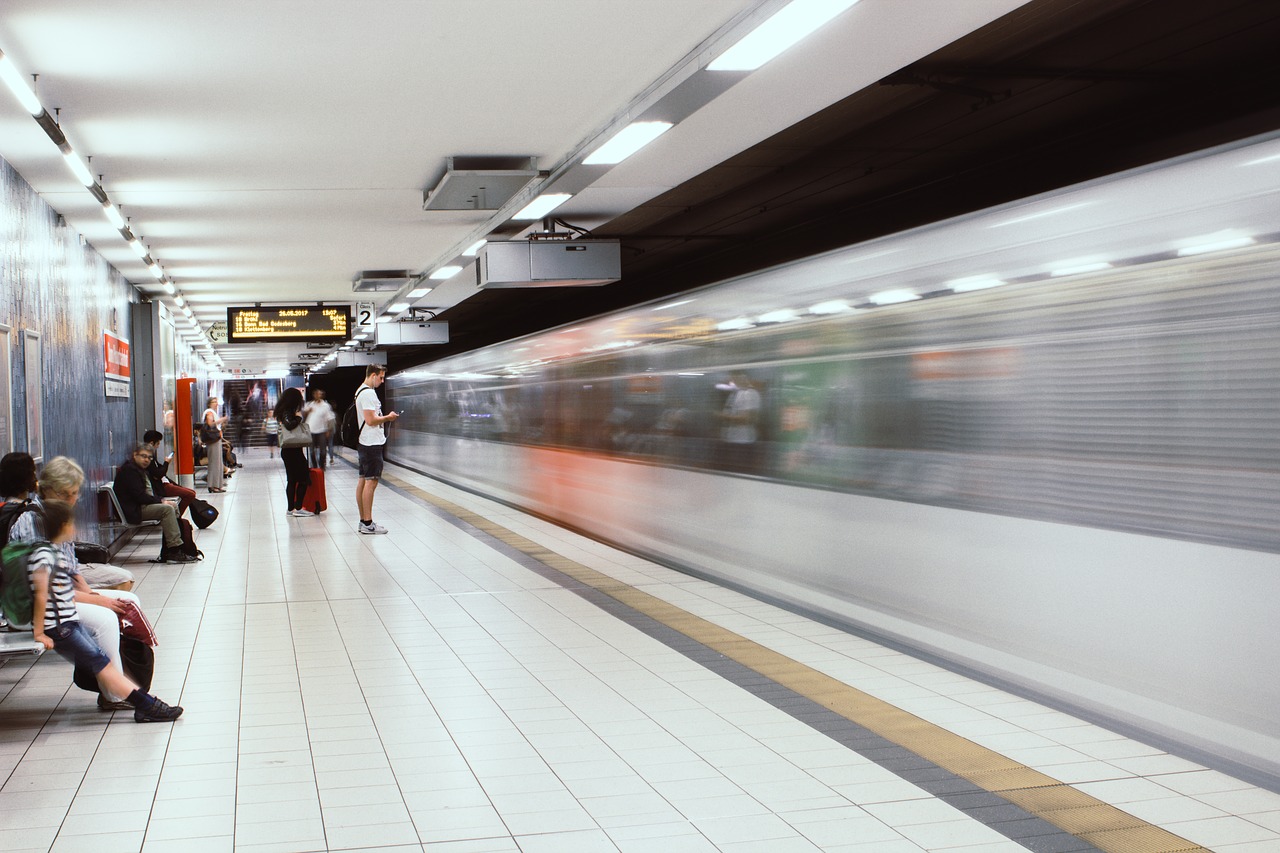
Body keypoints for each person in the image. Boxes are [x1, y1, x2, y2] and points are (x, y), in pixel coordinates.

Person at [5, 457, 149, 710]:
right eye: (66, 494)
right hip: (36, 609)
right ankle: (113, 695)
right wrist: (98, 600)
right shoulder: (33, 521)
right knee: (105, 619)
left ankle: (118, 680)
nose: (72, 500)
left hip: (56, 599)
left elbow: (70, 569)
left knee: (129, 600)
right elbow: (47, 589)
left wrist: (91, 591)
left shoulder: (55, 512)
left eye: (74, 494)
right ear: (48, 490)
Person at [26, 499, 183, 723]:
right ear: (62, 526)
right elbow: (42, 596)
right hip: (59, 628)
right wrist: (39, 633)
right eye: (72, 523)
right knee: (102, 665)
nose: (75, 528)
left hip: (68, 623)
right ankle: (147, 706)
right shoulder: (44, 557)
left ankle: (145, 704)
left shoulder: (54, 554)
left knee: (102, 664)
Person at [113, 444, 198, 564]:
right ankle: (174, 550)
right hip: (133, 510)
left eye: (149, 457)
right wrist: (161, 501)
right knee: (167, 509)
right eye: (143, 456)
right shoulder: (130, 471)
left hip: (138, 506)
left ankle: (175, 547)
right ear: (134, 455)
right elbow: (139, 496)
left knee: (172, 505)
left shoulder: (138, 470)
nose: (147, 460)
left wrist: (163, 501)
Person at [355, 365, 397, 534]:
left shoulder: (359, 391)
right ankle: (368, 523)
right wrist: (388, 417)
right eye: (380, 377)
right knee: (371, 482)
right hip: (371, 444)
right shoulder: (368, 393)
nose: (382, 381)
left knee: (363, 481)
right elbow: (371, 420)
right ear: (373, 376)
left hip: (364, 442)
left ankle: (363, 521)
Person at [274, 387, 313, 517]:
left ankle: (291, 509)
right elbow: (289, 425)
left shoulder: (283, 410)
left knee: (291, 480)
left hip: (289, 451)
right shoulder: (287, 411)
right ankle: (298, 508)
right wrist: (298, 418)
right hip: (293, 452)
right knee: (303, 478)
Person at [142, 429, 197, 519]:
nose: (158, 446)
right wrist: (166, 463)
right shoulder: (148, 457)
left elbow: (158, 471)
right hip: (161, 486)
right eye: (158, 444)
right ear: (152, 443)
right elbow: (158, 473)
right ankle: (176, 518)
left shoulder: (151, 455)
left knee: (190, 493)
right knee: (190, 494)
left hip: (163, 483)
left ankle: (175, 517)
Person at [201, 395, 229, 493]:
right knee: (215, 462)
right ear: (209, 403)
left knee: (217, 462)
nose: (216, 404)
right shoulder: (209, 412)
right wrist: (221, 420)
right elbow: (210, 423)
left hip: (215, 440)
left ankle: (217, 484)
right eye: (214, 402)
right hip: (213, 440)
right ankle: (213, 485)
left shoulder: (212, 412)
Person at [303, 389, 335, 470]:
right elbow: (303, 416)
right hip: (311, 430)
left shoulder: (326, 406)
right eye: (316, 394)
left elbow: (329, 418)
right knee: (311, 451)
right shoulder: (309, 405)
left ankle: (322, 466)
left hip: (322, 430)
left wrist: (328, 429)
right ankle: (314, 466)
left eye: (320, 394)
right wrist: (307, 412)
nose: (318, 395)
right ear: (314, 395)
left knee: (323, 451)